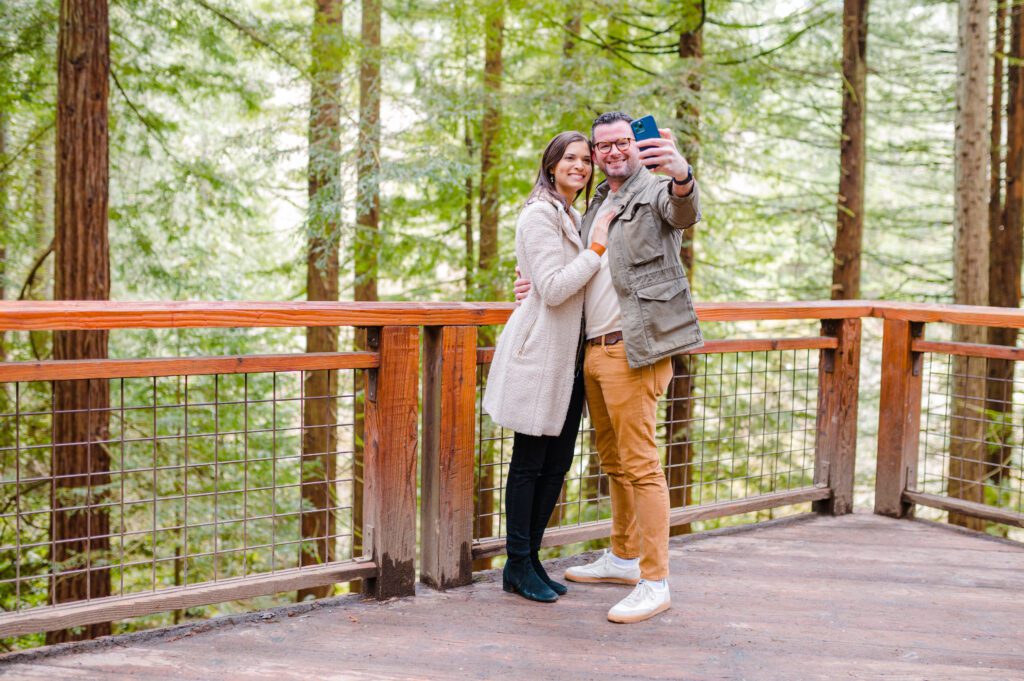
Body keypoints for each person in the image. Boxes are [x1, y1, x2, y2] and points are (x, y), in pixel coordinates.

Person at [515, 112, 702, 623]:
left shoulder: (655, 191)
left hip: (633, 348)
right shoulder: (598, 201)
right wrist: (532, 283)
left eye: (623, 142)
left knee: (641, 465)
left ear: (637, 147)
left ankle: (655, 579)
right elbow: (574, 266)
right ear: (596, 155)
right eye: (604, 146)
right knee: (614, 461)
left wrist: (682, 172)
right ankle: (622, 557)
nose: (613, 152)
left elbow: (683, 210)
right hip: (592, 350)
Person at [482, 131, 616, 603]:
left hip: (570, 359)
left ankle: (531, 558)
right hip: (541, 356)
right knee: (529, 463)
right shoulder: (539, 213)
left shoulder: (572, 213)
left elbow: (546, 283)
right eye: (570, 158)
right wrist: (595, 250)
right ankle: (516, 563)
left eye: (585, 159)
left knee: (556, 464)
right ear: (552, 163)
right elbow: (556, 288)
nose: (579, 165)